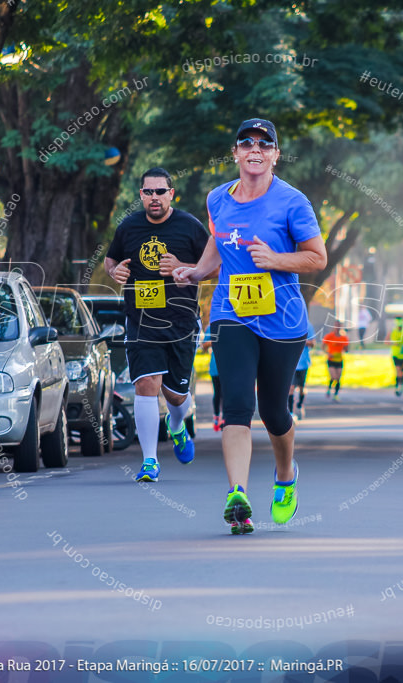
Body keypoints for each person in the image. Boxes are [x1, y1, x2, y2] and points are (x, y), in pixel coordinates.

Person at [173, 118, 327, 535]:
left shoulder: (293, 202)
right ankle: (237, 495)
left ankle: (284, 474)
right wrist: (196, 271)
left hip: (282, 318)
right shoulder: (217, 198)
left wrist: (277, 259)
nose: (255, 149)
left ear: (276, 154)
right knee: (236, 405)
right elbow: (218, 241)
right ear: (236, 152)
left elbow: (317, 257)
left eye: (264, 144)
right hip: (231, 312)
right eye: (246, 143)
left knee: (274, 410)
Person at [104, 167, 209, 483]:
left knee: (175, 394)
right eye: (148, 192)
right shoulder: (129, 227)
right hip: (141, 320)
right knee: (146, 384)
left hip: (180, 321)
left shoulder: (189, 227)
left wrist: (183, 267)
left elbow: (215, 266)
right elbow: (111, 260)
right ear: (140, 195)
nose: (154, 197)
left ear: (171, 194)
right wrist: (114, 272)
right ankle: (149, 461)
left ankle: (177, 426)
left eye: (160, 191)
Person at [288, 321, 317, 420]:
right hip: (292, 363)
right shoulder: (288, 323)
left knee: (302, 388)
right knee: (290, 388)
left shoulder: (308, 325)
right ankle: (291, 412)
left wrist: (301, 341)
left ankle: (300, 405)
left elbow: (313, 343)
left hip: (304, 363)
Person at [322, 321, 349, 402]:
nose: (337, 327)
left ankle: (336, 394)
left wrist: (345, 348)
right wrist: (328, 353)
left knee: (338, 378)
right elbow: (323, 346)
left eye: (339, 326)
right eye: (336, 325)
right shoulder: (329, 336)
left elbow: (346, 349)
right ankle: (329, 388)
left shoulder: (344, 337)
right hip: (331, 359)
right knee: (333, 376)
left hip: (339, 359)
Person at [201, 330, 223, 431]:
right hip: (215, 366)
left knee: (228, 393)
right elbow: (203, 346)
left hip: (230, 366)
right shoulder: (211, 327)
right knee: (218, 393)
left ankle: (225, 418)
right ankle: (217, 417)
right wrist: (214, 341)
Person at [388, 316, 403, 396]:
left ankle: (400, 385)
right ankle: (398, 386)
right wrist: (393, 343)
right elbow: (386, 341)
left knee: (401, 371)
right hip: (395, 354)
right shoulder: (392, 331)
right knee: (398, 370)